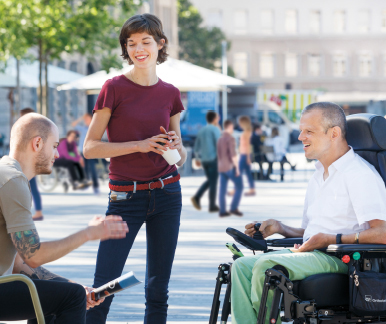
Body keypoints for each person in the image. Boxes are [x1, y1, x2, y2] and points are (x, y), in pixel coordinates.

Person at [230, 102, 386, 324]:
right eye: (302, 130)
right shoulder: (319, 175)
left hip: (343, 259)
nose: (300, 137)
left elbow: (382, 233)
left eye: (309, 131)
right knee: (240, 266)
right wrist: (279, 227)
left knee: (266, 266)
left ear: (334, 133)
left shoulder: (359, 174)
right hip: (315, 253)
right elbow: (311, 231)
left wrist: (330, 240)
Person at [83, 14, 187, 324]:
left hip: (168, 195)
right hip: (125, 199)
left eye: (145, 42)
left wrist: (174, 146)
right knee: (104, 287)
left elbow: (180, 158)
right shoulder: (113, 88)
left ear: (160, 45)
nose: (138, 49)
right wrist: (139, 145)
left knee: (158, 290)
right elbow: (90, 148)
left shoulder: (170, 93)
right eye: (131, 44)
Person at [0, 113, 129, 323]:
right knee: (71, 298)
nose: (57, 154)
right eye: (54, 146)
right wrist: (89, 233)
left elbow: (19, 263)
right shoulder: (13, 180)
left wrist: (71, 284)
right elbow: (33, 255)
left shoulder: (6, 174)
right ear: (37, 143)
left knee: (62, 294)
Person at [191, 111, 221, 212]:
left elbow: (196, 147)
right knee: (213, 182)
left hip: (204, 160)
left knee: (210, 180)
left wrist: (197, 158)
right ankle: (211, 205)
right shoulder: (215, 129)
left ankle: (197, 197)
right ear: (215, 119)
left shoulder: (202, 130)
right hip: (213, 159)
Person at [20, 108, 43, 221]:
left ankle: (33, 212)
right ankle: (37, 211)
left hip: (27, 161)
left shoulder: (28, 129)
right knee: (30, 187)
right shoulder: (37, 128)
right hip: (30, 161)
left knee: (23, 187)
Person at [217, 120, 243, 217]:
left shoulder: (220, 139)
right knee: (239, 186)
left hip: (221, 166)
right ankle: (233, 208)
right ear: (230, 127)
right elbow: (233, 154)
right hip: (229, 166)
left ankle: (222, 211)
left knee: (222, 189)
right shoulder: (230, 139)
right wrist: (237, 167)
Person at [72, 113, 100, 194]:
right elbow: (73, 124)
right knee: (85, 169)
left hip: (90, 152)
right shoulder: (83, 128)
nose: (86, 121)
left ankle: (96, 187)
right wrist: (81, 118)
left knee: (92, 169)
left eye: (87, 119)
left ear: (91, 120)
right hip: (82, 151)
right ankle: (86, 185)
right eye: (85, 119)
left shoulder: (94, 128)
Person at [238, 116, 256, 196]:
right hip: (243, 154)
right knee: (248, 173)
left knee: (238, 172)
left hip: (244, 155)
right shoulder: (247, 132)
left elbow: (248, 145)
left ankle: (237, 188)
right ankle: (252, 189)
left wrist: (248, 157)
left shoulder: (247, 133)